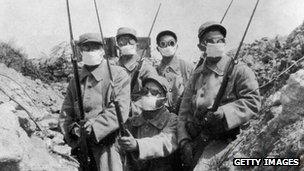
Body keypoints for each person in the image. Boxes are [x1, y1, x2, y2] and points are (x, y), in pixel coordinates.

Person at [177, 21, 261, 170]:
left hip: (225, 138)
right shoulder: (196, 75)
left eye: (220, 40)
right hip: (196, 137)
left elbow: (253, 101)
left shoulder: (238, 70)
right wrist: (184, 141)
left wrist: (224, 112)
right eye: (209, 41)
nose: (216, 44)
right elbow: (183, 113)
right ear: (201, 46)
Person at [59, 33, 130, 171]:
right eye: (86, 48)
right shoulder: (75, 80)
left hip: (108, 145)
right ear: (80, 51)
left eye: (95, 47)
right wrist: (72, 132)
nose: (91, 51)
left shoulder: (117, 75)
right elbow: (65, 113)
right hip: (80, 146)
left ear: (103, 50)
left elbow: (120, 109)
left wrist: (95, 125)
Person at [118, 75, 178, 171]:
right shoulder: (132, 121)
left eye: (154, 92)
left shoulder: (172, 119)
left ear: (165, 100)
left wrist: (137, 145)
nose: (148, 95)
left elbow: (164, 142)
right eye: (145, 91)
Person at [115, 27, 158, 116]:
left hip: (139, 115)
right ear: (117, 46)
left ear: (136, 44)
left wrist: (132, 109)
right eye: (122, 41)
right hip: (115, 114)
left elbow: (154, 95)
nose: (127, 44)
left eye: (131, 41)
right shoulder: (113, 67)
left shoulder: (146, 67)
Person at [155, 30, 194, 114]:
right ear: (158, 48)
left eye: (171, 43)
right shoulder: (155, 71)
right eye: (163, 44)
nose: (168, 47)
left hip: (184, 115)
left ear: (176, 46)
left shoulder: (187, 67)